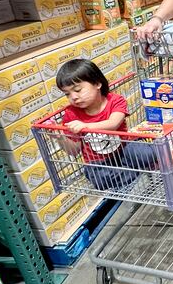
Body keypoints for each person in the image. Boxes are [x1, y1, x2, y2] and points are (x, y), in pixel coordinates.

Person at [56, 59, 157, 190]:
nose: (73, 97)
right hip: (99, 162)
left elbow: (113, 124)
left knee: (145, 152)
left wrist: (84, 126)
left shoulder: (115, 100)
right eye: (67, 94)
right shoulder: (71, 114)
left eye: (78, 90)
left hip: (124, 150)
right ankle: (135, 172)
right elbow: (74, 151)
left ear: (97, 83)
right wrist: (60, 138)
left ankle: (130, 172)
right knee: (97, 178)